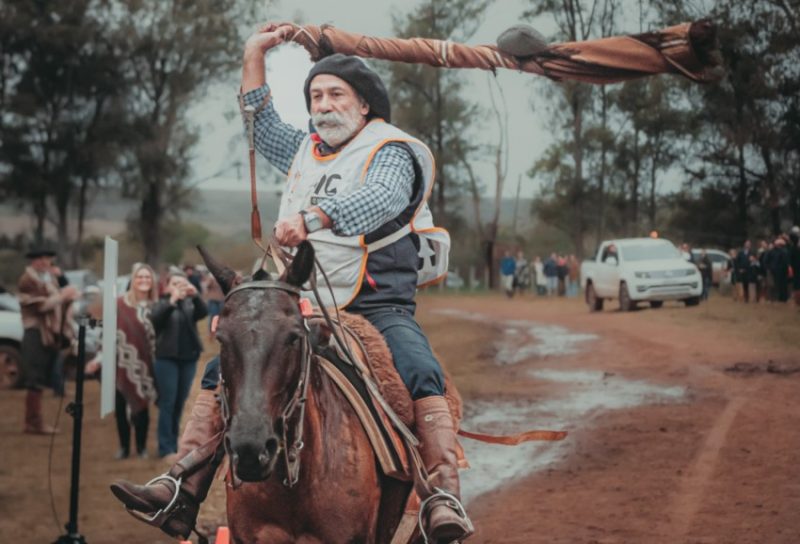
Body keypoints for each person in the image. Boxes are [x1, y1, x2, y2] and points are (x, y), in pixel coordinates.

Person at [112, 23, 473, 543]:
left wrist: (314, 218)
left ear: (365, 103)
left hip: (377, 305)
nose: (323, 105)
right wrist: (254, 52)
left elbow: (382, 199)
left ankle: (442, 494)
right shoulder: (307, 148)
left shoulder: (391, 150)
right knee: (227, 364)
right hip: (304, 302)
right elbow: (259, 126)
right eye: (315, 96)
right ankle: (182, 487)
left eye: (335, 95)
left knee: (419, 369)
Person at [17, 247, 79, 434]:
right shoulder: (27, 280)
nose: (45, 262)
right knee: (35, 377)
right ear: (33, 261)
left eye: (48, 259)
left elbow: (59, 298)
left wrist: (65, 294)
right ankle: (33, 422)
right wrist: (62, 297)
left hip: (49, 331)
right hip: (36, 331)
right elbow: (40, 305)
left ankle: (35, 420)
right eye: (41, 259)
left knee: (42, 376)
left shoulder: (47, 278)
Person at [151, 269, 207, 458]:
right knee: (168, 402)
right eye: (175, 283)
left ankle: (173, 444)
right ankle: (165, 447)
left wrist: (196, 295)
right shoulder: (160, 303)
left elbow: (203, 313)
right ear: (167, 286)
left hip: (188, 358)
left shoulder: (189, 303)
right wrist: (172, 300)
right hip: (166, 359)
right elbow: (156, 320)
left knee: (179, 403)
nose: (179, 287)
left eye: (182, 283)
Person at [113, 263, 158, 459]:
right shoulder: (120, 304)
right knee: (120, 404)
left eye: (147, 277)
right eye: (140, 277)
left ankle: (141, 447)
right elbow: (107, 333)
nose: (144, 281)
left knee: (142, 404)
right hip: (122, 360)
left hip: (148, 363)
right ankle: (124, 447)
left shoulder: (156, 305)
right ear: (133, 280)